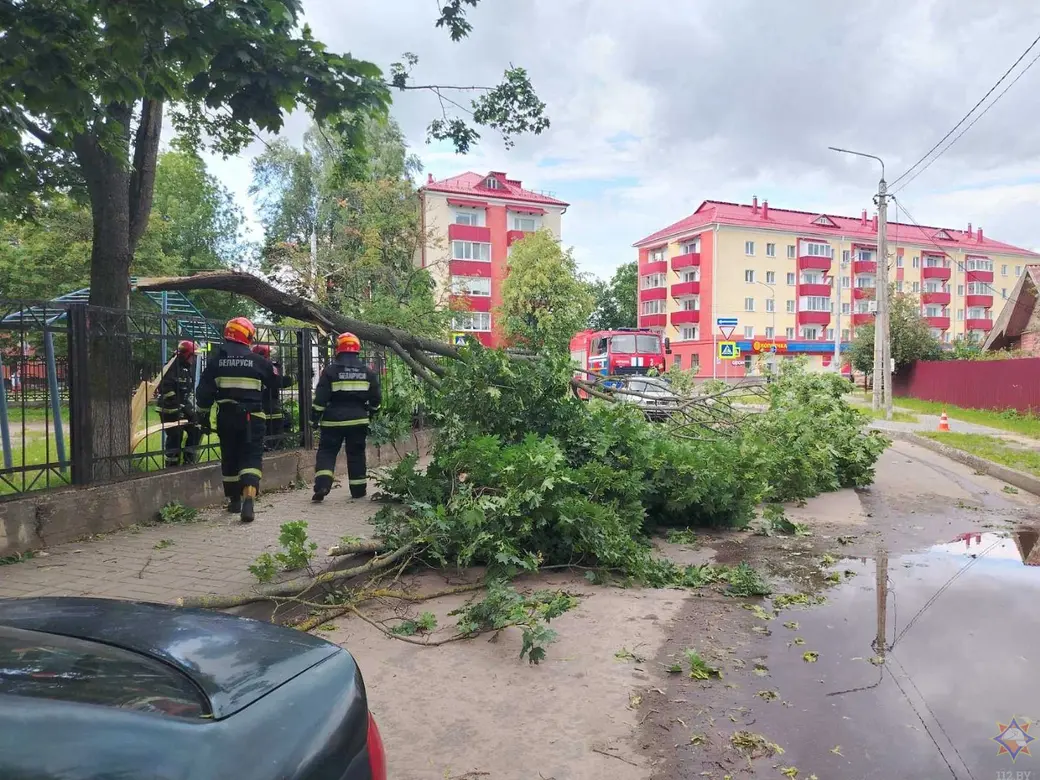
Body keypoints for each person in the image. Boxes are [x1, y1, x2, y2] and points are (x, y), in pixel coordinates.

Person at [196, 317, 279, 523]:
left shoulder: (216, 362)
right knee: (251, 457)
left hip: (226, 416)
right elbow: (275, 382)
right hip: (253, 418)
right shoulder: (259, 361)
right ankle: (249, 498)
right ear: (248, 336)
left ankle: (234, 501)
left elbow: (204, 393)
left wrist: (203, 415)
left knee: (230, 457)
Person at [311, 332, 381, 502]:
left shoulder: (330, 371)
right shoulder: (368, 372)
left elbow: (320, 398)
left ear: (338, 350)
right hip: (358, 420)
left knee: (327, 453)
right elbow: (376, 398)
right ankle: (358, 490)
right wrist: (372, 411)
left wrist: (314, 419)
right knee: (356, 454)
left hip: (332, 421)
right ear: (357, 349)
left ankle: (322, 486)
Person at [155, 340, 202, 468]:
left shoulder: (186, 369)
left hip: (182, 407)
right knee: (175, 436)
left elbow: (187, 391)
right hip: (169, 410)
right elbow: (166, 390)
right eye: (193, 356)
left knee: (196, 428)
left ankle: (189, 460)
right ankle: (171, 465)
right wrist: (181, 406)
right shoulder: (170, 367)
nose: (194, 359)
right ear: (186, 354)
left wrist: (188, 408)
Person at [252, 344, 295, 450]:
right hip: (271, 407)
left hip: (255, 409)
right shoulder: (270, 367)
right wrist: (296, 377)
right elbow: (279, 382)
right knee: (275, 435)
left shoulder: (250, 366)